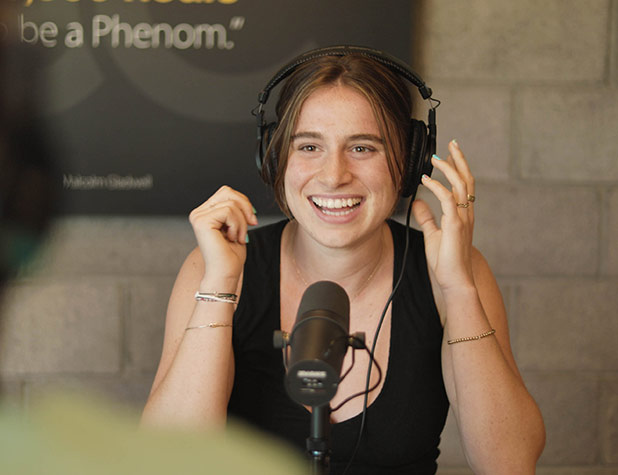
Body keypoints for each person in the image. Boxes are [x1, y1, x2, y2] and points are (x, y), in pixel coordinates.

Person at [142, 46, 546, 474]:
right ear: (275, 157)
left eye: (363, 148)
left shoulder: (452, 271)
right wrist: (219, 287)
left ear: (407, 163)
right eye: (310, 146)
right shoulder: (215, 269)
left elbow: (510, 463)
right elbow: (168, 462)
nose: (334, 175)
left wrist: (459, 289)